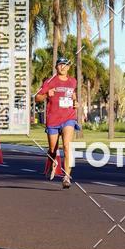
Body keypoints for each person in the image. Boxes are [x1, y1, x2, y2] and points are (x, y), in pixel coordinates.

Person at [35, 56, 79, 189]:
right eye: (60, 65)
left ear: (69, 67)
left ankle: (66, 177)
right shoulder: (50, 81)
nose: (63, 67)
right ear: (56, 67)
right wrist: (48, 94)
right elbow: (37, 98)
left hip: (68, 118)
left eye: (66, 65)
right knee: (53, 150)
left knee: (67, 146)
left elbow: (73, 95)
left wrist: (75, 102)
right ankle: (51, 161)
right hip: (53, 120)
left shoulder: (73, 81)